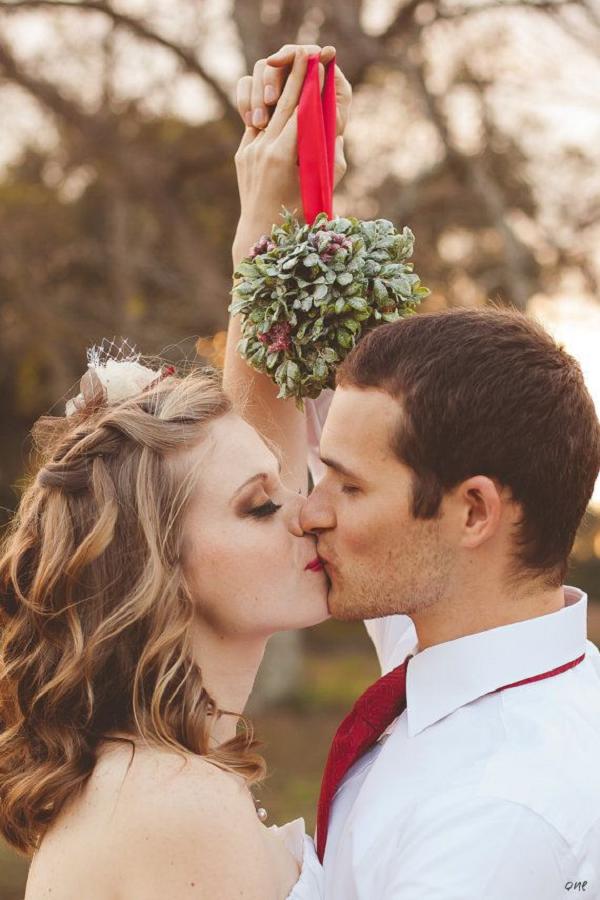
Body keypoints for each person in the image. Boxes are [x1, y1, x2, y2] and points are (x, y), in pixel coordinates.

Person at [236, 49, 600, 900]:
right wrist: (279, 194)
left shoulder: (496, 820)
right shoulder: (456, 634)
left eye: (350, 489)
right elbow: (292, 413)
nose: (307, 511)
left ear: (473, 513)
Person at [0, 44, 351, 900]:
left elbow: (249, 451)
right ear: (158, 569)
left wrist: (269, 213)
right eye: (263, 507)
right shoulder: (177, 806)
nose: (307, 512)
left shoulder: (159, 775)